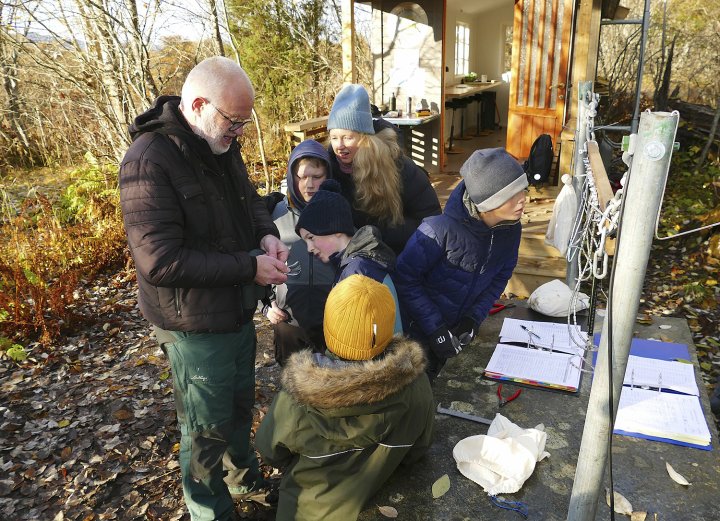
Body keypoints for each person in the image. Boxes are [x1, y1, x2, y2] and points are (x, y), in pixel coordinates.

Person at [118, 56, 289, 521]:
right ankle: (210, 510)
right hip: (190, 323)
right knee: (204, 427)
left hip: (234, 309)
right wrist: (248, 268)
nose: (238, 133)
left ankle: (245, 484)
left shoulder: (219, 144)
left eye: (243, 124)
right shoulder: (148, 160)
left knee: (237, 406)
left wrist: (266, 235)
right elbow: (159, 261)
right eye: (234, 122)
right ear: (198, 105)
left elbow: (249, 201)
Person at [255, 274, 435, 521]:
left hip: (305, 510)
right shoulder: (417, 384)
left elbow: (270, 451)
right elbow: (418, 449)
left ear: (329, 327)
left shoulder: (298, 397)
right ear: (387, 326)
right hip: (375, 491)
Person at [394, 147, 528, 382]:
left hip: (453, 332)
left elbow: (501, 275)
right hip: (412, 335)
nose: (523, 199)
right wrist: (435, 330)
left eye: (523, 189)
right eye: (512, 194)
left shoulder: (511, 230)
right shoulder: (438, 230)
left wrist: (473, 319)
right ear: (488, 201)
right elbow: (405, 279)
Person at [326, 83, 441, 254]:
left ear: (365, 137)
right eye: (334, 138)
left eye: (348, 137)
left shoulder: (398, 165)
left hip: (400, 254)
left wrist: (379, 233)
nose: (340, 146)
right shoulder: (327, 168)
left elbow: (431, 220)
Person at [295, 179, 403, 333]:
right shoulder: (354, 263)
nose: (309, 249)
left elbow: (362, 338)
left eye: (311, 238)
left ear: (335, 228)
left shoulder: (357, 271)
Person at [265, 139, 336, 365]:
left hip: (333, 320)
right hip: (289, 323)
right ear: (291, 176)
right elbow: (256, 261)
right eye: (302, 176)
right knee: (293, 390)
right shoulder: (273, 216)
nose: (309, 184)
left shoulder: (339, 213)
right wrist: (266, 305)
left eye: (317, 177)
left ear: (328, 177)